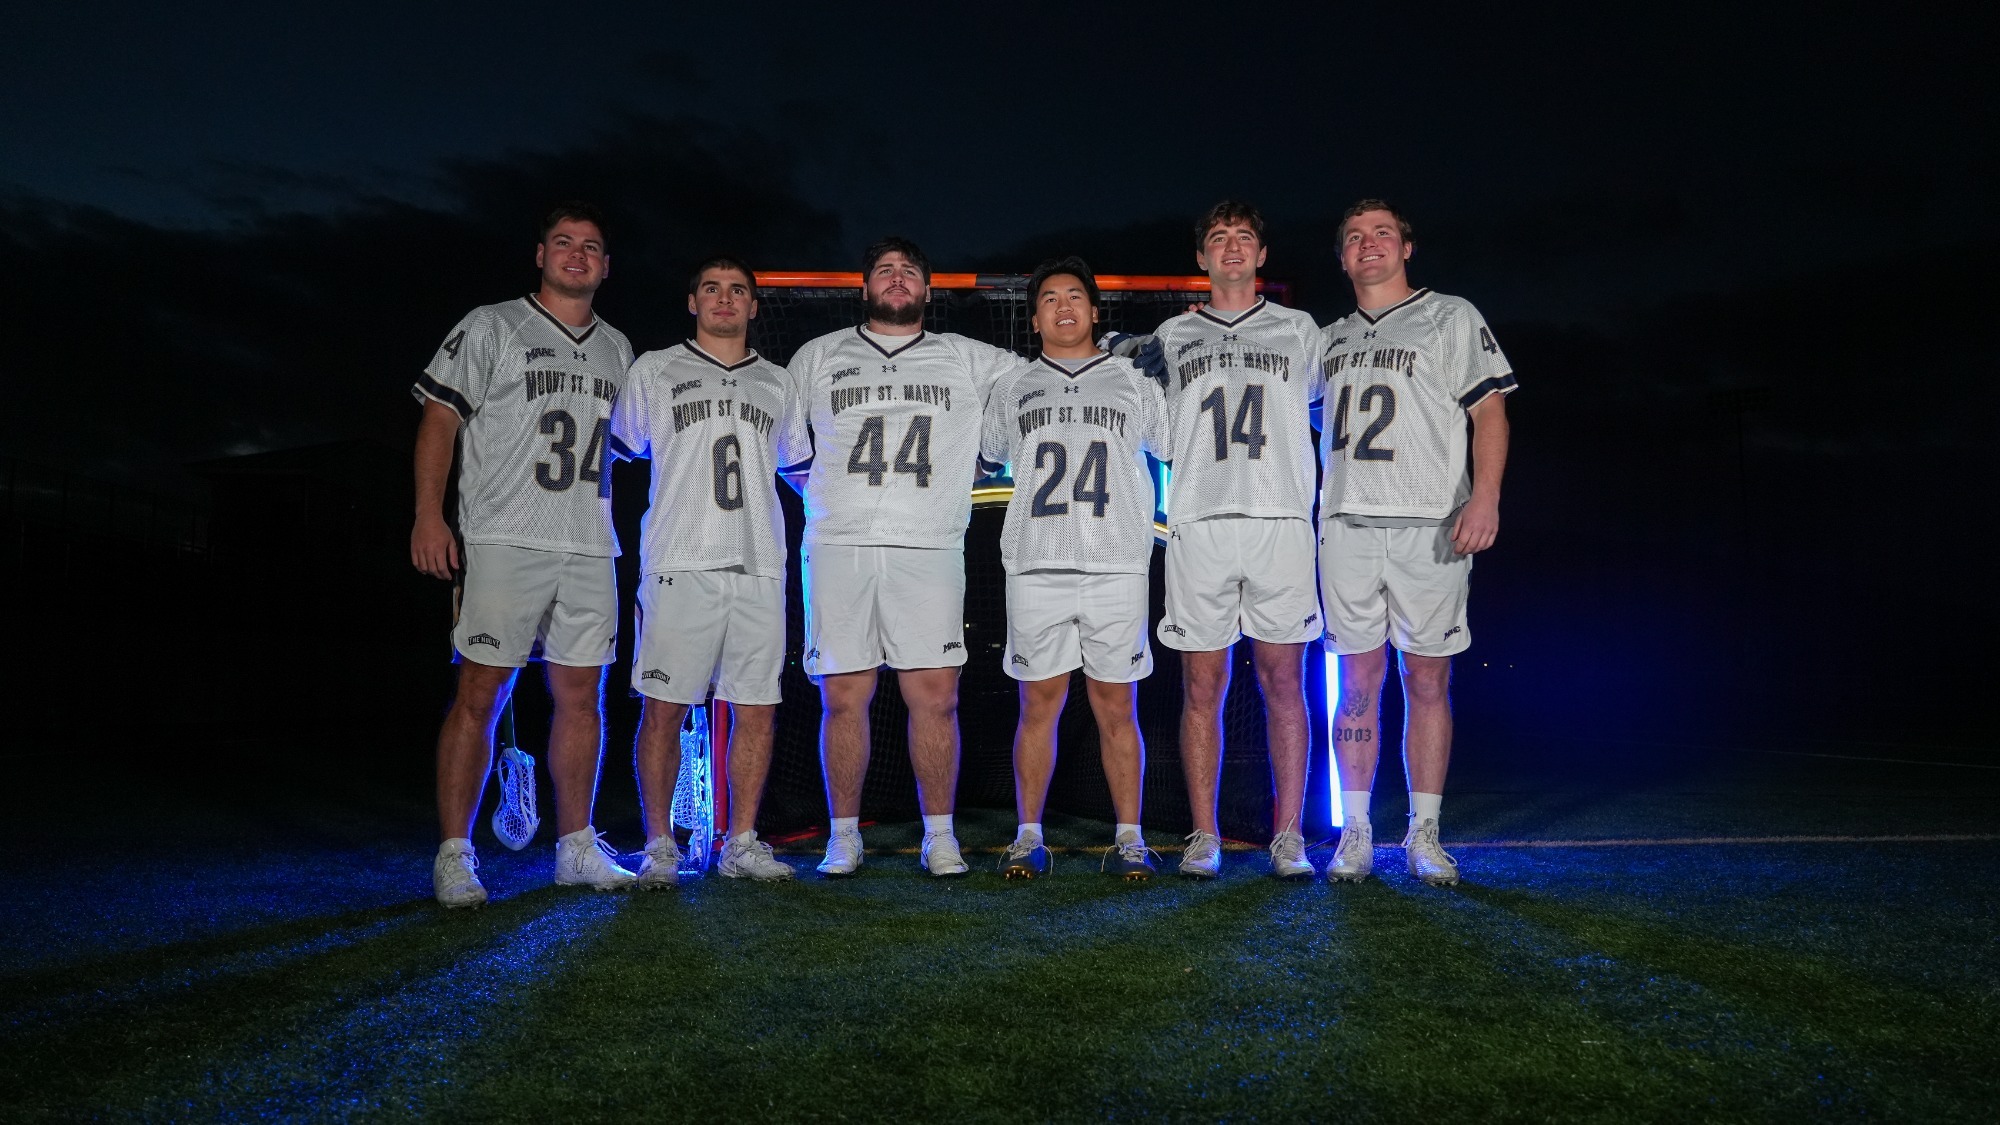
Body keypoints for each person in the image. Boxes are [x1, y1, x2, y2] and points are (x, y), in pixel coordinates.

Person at [411, 202, 637, 907]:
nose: (577, 255)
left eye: (592, 246)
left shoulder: (619, 347)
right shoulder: (492, 324)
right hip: (505, 535)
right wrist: (428, 514)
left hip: (589, 541)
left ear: (606, 265)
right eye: (564, 243)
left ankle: (575, 846)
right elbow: (440, 416)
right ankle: (455, 853)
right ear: (539, 254)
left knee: (583, 697)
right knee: (481, 691)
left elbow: (637, 444)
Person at [786, 237, 1021, 877]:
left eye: (909, 272)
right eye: (885, 271)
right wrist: (827, 495)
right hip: (839, 546)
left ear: (926, 289)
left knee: (935, 696)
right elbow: (786, 443)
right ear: (865, 287)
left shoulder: (966, 359)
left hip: (929, 545)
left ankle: (939, 835)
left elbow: (1039, 382)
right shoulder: (818, 356)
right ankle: (843, 835)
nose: (897, 279)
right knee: (844, 696)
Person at [1317, 199, 1516, 886]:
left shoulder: (1449, 315)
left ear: (1406, 247)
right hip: (1345, 523)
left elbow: (1489, 408)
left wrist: (1484, 495)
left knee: (1426, 676)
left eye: (1381, 234)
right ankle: (1357, 830)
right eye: (1354, 237)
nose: (1368, 245)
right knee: (1356, 683)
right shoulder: (1327, 338)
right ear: (1341, 257)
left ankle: (1424, 830)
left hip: (1431, 519)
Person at [608, 257, 811, 886]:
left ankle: (741, 841)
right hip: (678, 560)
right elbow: (616, 453)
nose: (725, 299)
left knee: (756, 708)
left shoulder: (779, 383)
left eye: (739, 291)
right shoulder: (654, 369)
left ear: (754, 307)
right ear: (692, 301)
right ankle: (660, 844)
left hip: (758, 564)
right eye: (712, 289)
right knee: (664, 707)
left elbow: (802, 472)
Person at [1150, 202, 1327, 879]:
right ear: (1201, 257)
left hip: (1281, 518)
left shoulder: (1298, 329)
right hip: (1199, 520)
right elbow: (1156, 430)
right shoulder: (1170, 336)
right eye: (1218, 239)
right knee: (1203, 683)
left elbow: (1324, 408)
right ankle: (1204, 833)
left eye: (1243, 237)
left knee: (1285, 679)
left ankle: (1287, 835)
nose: (1230, 248)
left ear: (1261, 256)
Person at [979, 258, 1172, 880]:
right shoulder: (1013, 385)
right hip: (1037, 561)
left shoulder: (1132, 379)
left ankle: (1130, 838)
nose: (1063, 307)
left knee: (1117, 706)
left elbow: (1173, 447)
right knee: (1039, 704)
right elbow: (988, 457)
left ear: (1094, 311)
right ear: (1034, 318)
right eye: (1050, 299)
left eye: (1075, 297)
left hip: (1116, 559)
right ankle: (1028, 836)